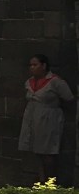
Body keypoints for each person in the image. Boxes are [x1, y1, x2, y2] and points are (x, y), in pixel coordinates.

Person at [18, 53, 74, 181]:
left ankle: (50, 181)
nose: (32, 67)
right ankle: (41, 179)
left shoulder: (55, 82)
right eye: (30, 65)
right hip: (33, 117)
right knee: (36, 151)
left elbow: (69, 98)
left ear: (43, 65)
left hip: (49, 119)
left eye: (35, 64)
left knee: (48, 152)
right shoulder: (29, 82)